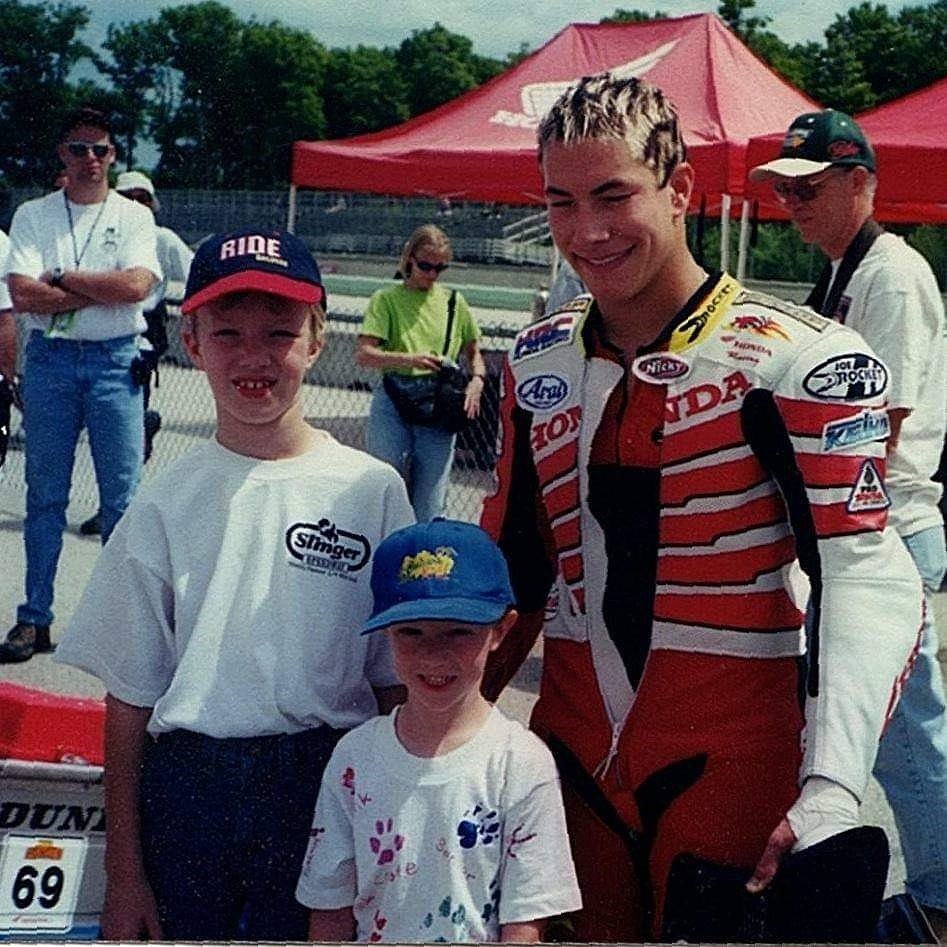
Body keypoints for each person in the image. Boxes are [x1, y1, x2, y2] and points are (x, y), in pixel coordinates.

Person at [480, 72, 924, 943]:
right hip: (566, 753)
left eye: (614, 195)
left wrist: (832, 784)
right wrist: (434, 730)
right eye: (560, 202)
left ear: (679, 187)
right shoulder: (535, 361)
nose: (587, 231)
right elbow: (513, 569)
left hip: (735, 758)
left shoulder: (804, 359)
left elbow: (868, 575)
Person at [53, 227, 415, 940]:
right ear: (191, 342)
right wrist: (125, 874)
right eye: (228, 334)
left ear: (316, 340)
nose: (254, 356)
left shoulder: (371, 490)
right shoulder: (163, 503)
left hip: (325, 780)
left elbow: (394, 684)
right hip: (191, 789)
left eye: (278, 333)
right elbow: (128, 702)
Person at [750, 109, 947, 937]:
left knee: (904, 733)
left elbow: (881, 424)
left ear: (861, 183)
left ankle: (940, 893)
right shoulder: (842, 268)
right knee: (898, 727)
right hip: (860, 521)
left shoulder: (889, 275)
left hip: (885, 523)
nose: (793, 203)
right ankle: (935, 886)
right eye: (786, 189)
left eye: (811, 187)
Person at [296, 518, 582, 942]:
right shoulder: (354, 757)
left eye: (459, 631)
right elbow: (329, 906)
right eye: (411, 631)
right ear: (386, 632)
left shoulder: (521, 761)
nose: (434, 653)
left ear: (501, 630)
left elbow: (526, 921)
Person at [0, 105, 160, 663]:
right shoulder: (34, 215)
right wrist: (101, 290)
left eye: (100, 150)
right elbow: (21, 293)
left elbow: (138, 284)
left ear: (114, 157)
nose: (89, 160)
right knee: (45, 497)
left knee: (123, 499)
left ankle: (123, 623)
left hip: (115, 361)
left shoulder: (134, 218)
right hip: (50, 362)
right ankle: (33, 616)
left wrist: (63, 280)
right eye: (78, 149)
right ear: (61, 157)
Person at [79, 170, 194, 536]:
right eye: (129, 196)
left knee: (118, 428)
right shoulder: (106, 233)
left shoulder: (160, 238)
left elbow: (194, 274)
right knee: (102, 426)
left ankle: (116, 507)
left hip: (138, 331)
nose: (135, 203)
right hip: (99, 327)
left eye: (142, 197)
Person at [356, 225, 486, 521]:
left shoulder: (454, 301)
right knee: (384, 480)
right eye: (425, 266)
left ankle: (423, 558)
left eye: (440, 268)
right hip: (395, 398)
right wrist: (409, 359)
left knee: (430, 498)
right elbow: (364, 354)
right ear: (409, 259)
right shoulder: (386, 299)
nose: (431, 274)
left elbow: (475, 352)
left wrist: (477, 381)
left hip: (439, 401)